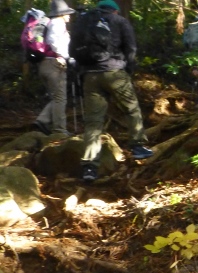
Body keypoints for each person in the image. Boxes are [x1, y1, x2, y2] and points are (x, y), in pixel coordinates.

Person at [73, 0, 153, 183]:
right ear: (115, 11)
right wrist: (128, 69)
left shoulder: (86, 21)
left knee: (93, 122)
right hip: (114, 72)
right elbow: (131, 48)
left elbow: (74, 50)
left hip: (90, 76)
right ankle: (137, 146)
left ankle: (90, 167)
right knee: (131, 109)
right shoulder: (120, 21)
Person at [33, 0, 75, 136]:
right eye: (67, 13)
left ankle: (43, 120)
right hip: (54, 64)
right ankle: (59, 130)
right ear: (61, 14)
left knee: (56, 97)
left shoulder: (50, 22)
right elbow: (53, 41)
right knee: (60, 99)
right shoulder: (58, 23)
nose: (69, 16)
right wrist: (65, 56)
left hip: (45, 64)